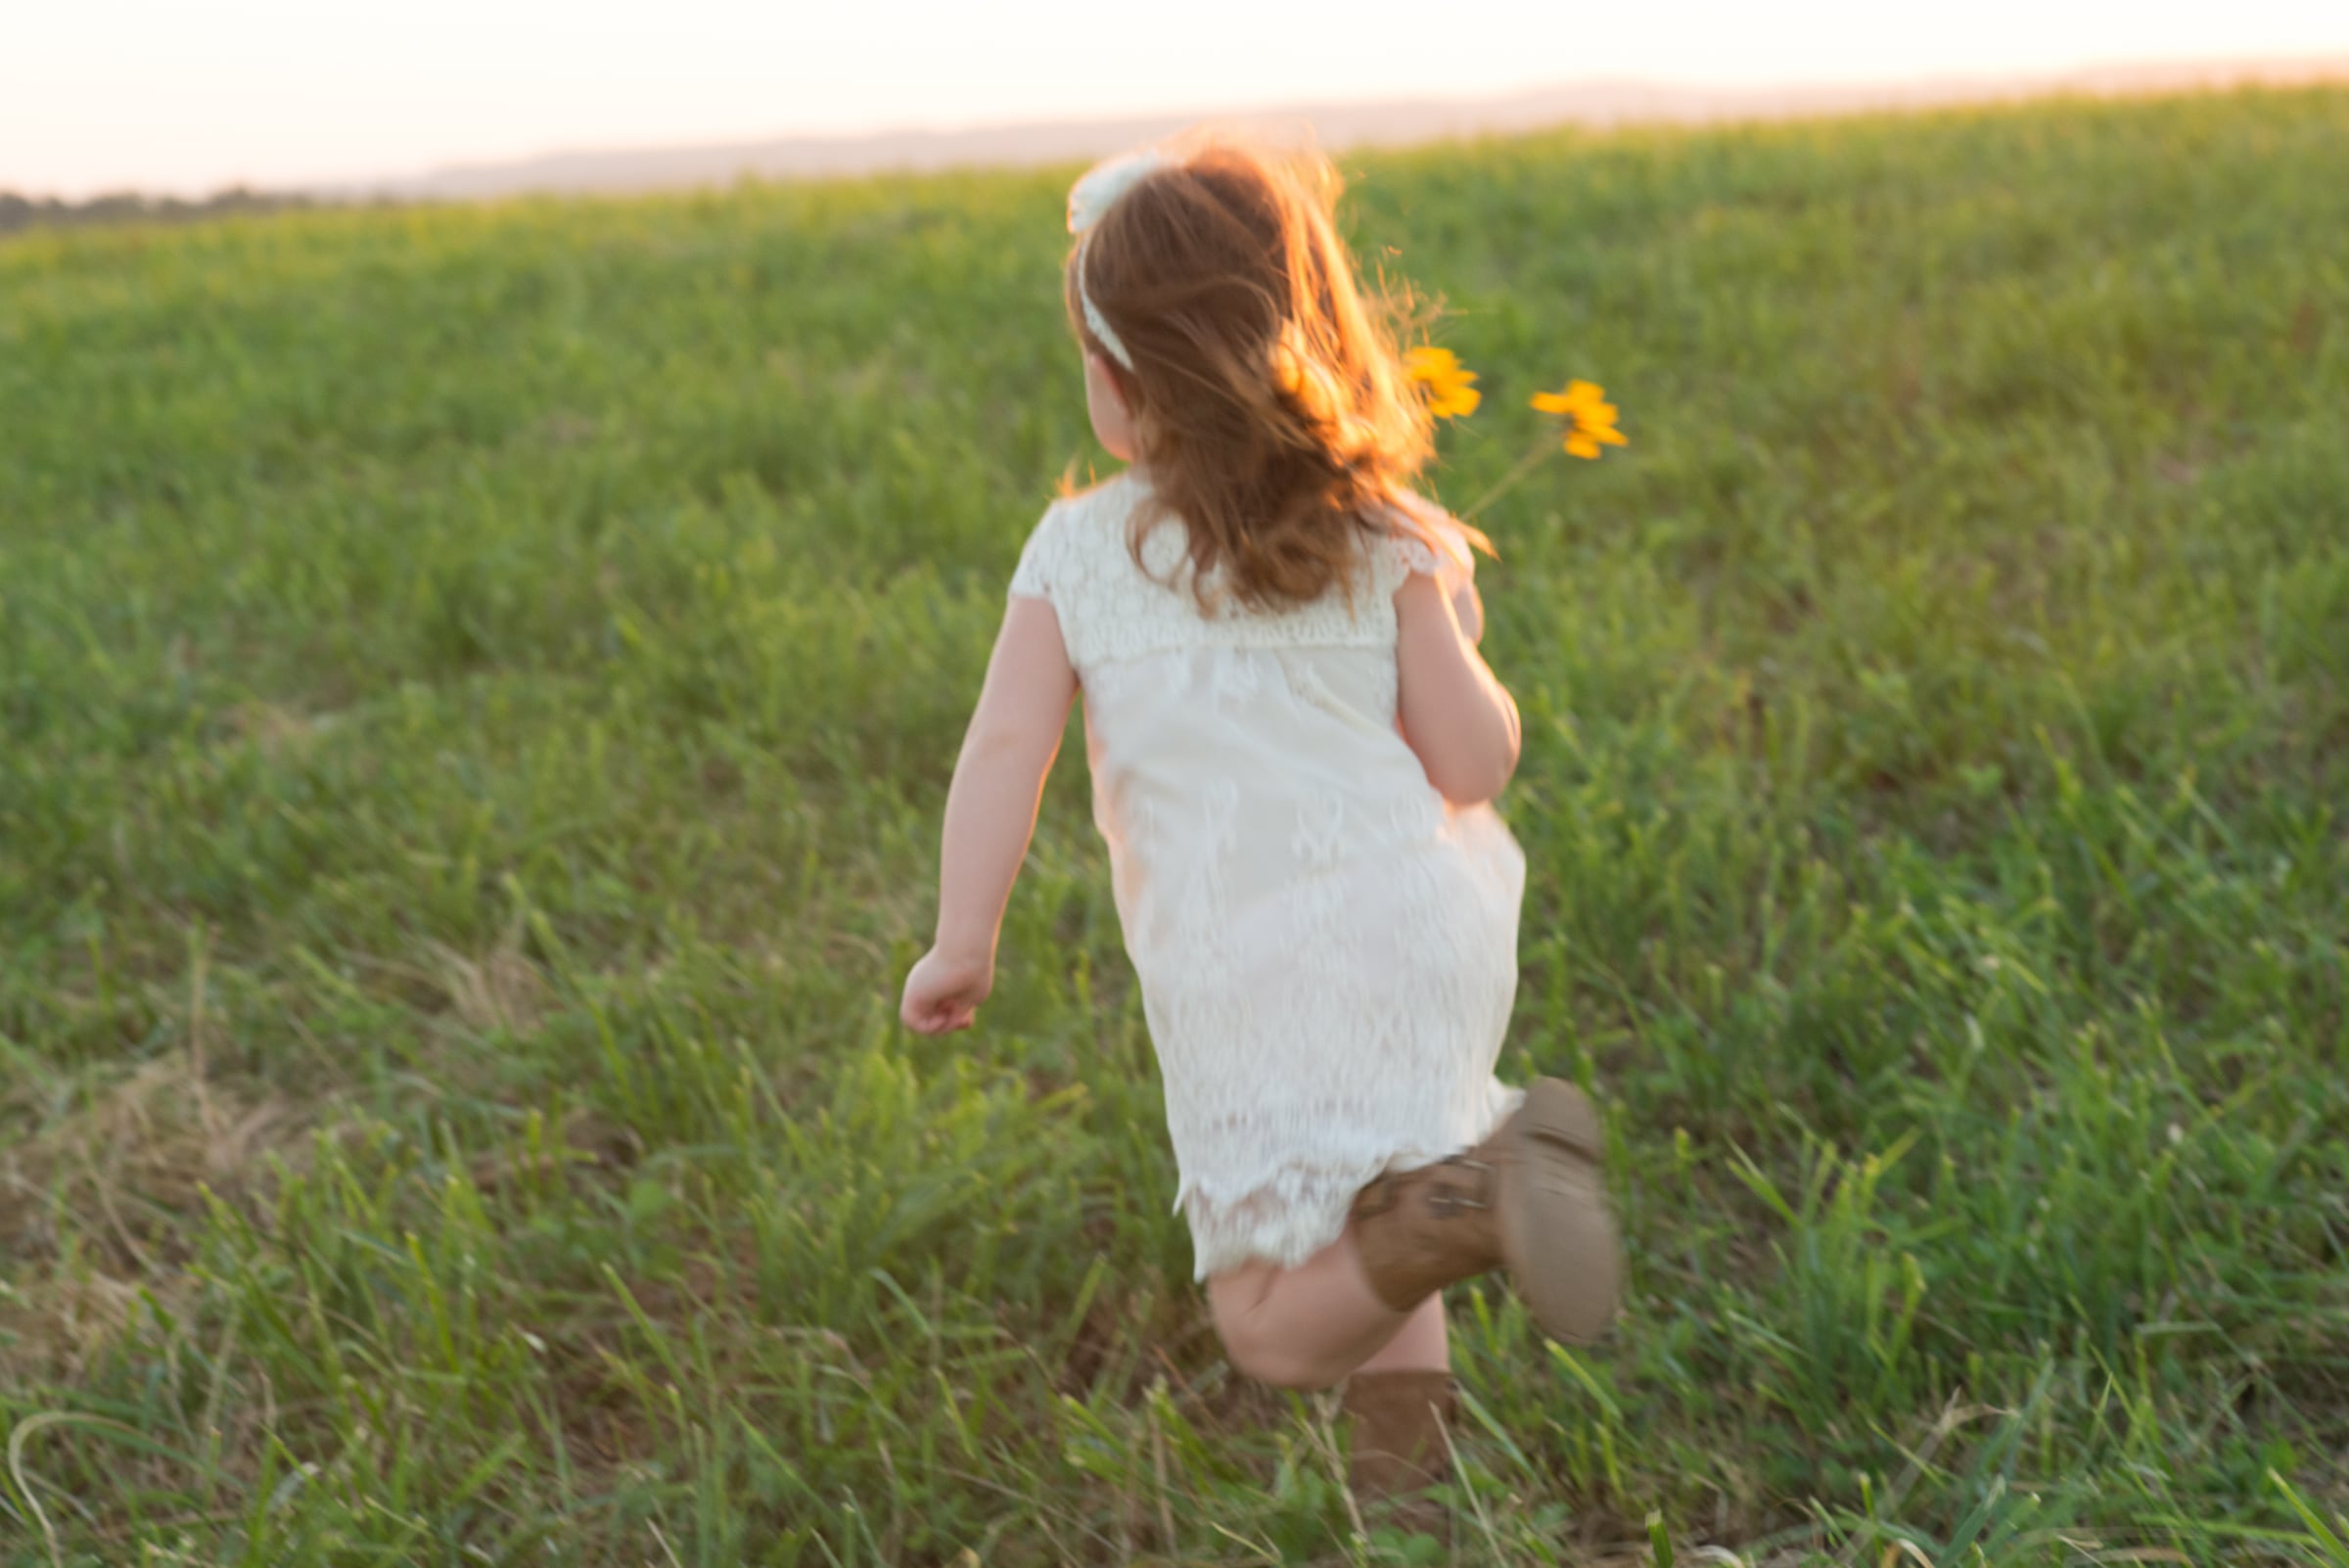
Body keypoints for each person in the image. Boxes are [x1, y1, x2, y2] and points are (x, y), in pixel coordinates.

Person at [898, 135, 1621, 1520]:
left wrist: (962, 938)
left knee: (1274, 1318)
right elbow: (1472, 763)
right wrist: (1441, 607)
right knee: (1376, 1206)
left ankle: (1486, 1194)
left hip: (1255, 965)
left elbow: (1006, 747)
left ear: (1120, 385)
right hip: (1425, 930)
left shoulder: (1078, 557)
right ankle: (1407, 1498)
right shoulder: (1384, 535)